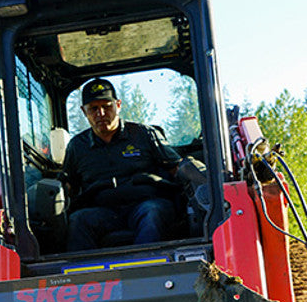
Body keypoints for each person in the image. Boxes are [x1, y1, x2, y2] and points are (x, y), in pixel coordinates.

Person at [62, 78, 203, 251]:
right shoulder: (77, 146)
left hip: (145, 204)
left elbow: (177, 168)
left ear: (118, 105)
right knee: (78, 220)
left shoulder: (144, 134)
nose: (101, 113)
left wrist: (198, 176)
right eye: (93, 108)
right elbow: (68, 187)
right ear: (84, 112)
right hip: (104, 212)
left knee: (153, 213)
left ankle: (146, 268)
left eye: (107, 106)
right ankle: (82, 276)